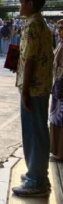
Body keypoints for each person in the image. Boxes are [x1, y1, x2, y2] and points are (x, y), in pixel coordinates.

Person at [12, 0, 54, 197]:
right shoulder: (41, 24)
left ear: (30, 3)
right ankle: (38, 175)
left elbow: (30, 60)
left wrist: (25, 90)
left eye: (21, 1)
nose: (20, 5)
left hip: (33, 88)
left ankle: (36, 181)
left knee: (33, 134)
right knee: (39, 131)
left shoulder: (32, 26)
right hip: (42, 86)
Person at [50, 19, 63, 162]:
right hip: (57, 85)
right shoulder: (60, 44)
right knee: (55, 118)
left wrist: (59, 86)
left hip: (61, 87)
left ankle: (60, 151)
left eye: (61, 29)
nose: (58, 32)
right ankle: (56, 150)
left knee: (60, 119)